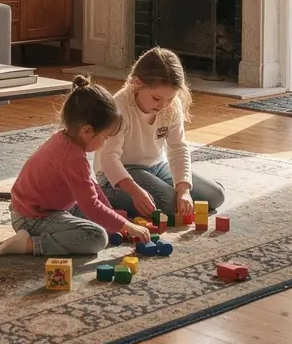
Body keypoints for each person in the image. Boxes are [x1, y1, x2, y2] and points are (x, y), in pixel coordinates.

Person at [0, 76, 152, 257]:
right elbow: (91, 205)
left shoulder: (64, 138)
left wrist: (112, 214)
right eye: (105, 137)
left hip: (46, 208)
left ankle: (50, 233)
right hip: (32, 218)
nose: (104, 143)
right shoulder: (73, 158)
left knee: (105, 221)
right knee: (97, 236)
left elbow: (90, 186)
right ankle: (30, 243)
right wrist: (127, 225)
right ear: (87, 131)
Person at [95, 46, 225, 219]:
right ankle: (105, 196)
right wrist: (135, 192)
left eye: (170, 99)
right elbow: (109, 159)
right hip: (119, 172)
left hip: (157, 166)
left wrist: (184, 189)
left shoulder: (171, 106)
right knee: (169, 206)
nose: (163, 105)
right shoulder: (119, 108)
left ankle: (162, 193)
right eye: (157, 98)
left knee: (215, 196)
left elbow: (178, 148)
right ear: (137, 83)